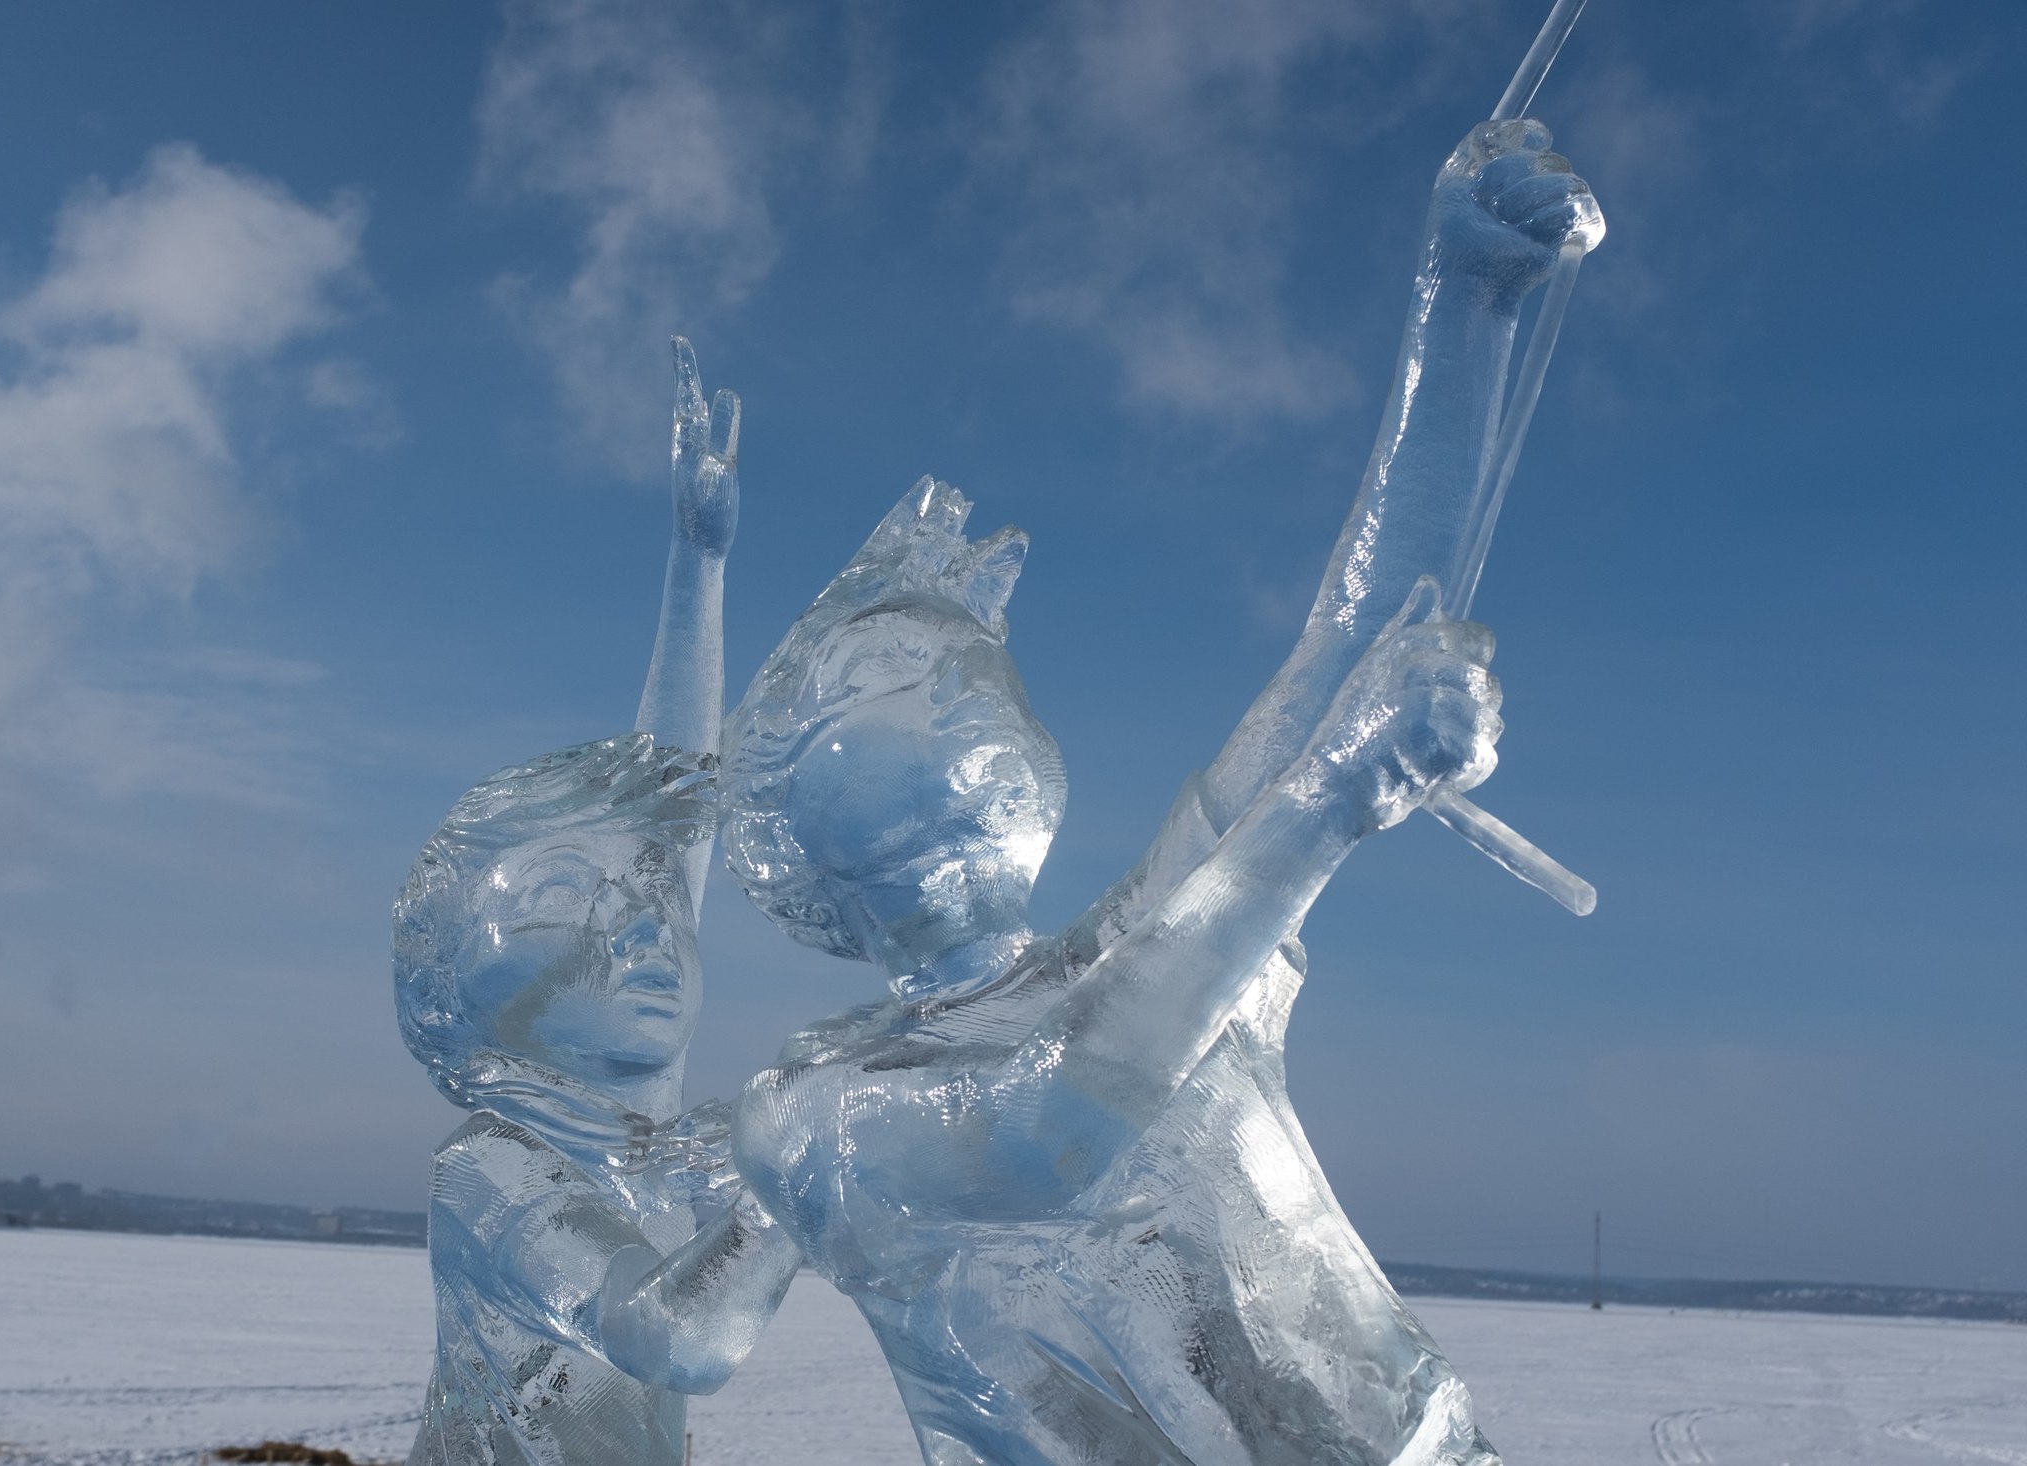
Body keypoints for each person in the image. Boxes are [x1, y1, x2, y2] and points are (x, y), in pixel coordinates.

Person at [719, 120, 1603, 1464]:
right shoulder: (815, 1107)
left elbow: (1351, 645)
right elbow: (1046, 1125)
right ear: (790, 833)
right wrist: (1330, 799)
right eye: (890, 684)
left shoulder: (1166, 935)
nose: (964, 698)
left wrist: (1465, 301)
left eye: (968, 676)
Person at [393, 342, 800, 1466]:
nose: (639, 922)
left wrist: (699, 566)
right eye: (567, 902)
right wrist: (797, 1166)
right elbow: (678, 1335)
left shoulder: (644, 1133)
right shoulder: (493, 1167)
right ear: (465, 993)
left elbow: (673, 814)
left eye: (651, 906)